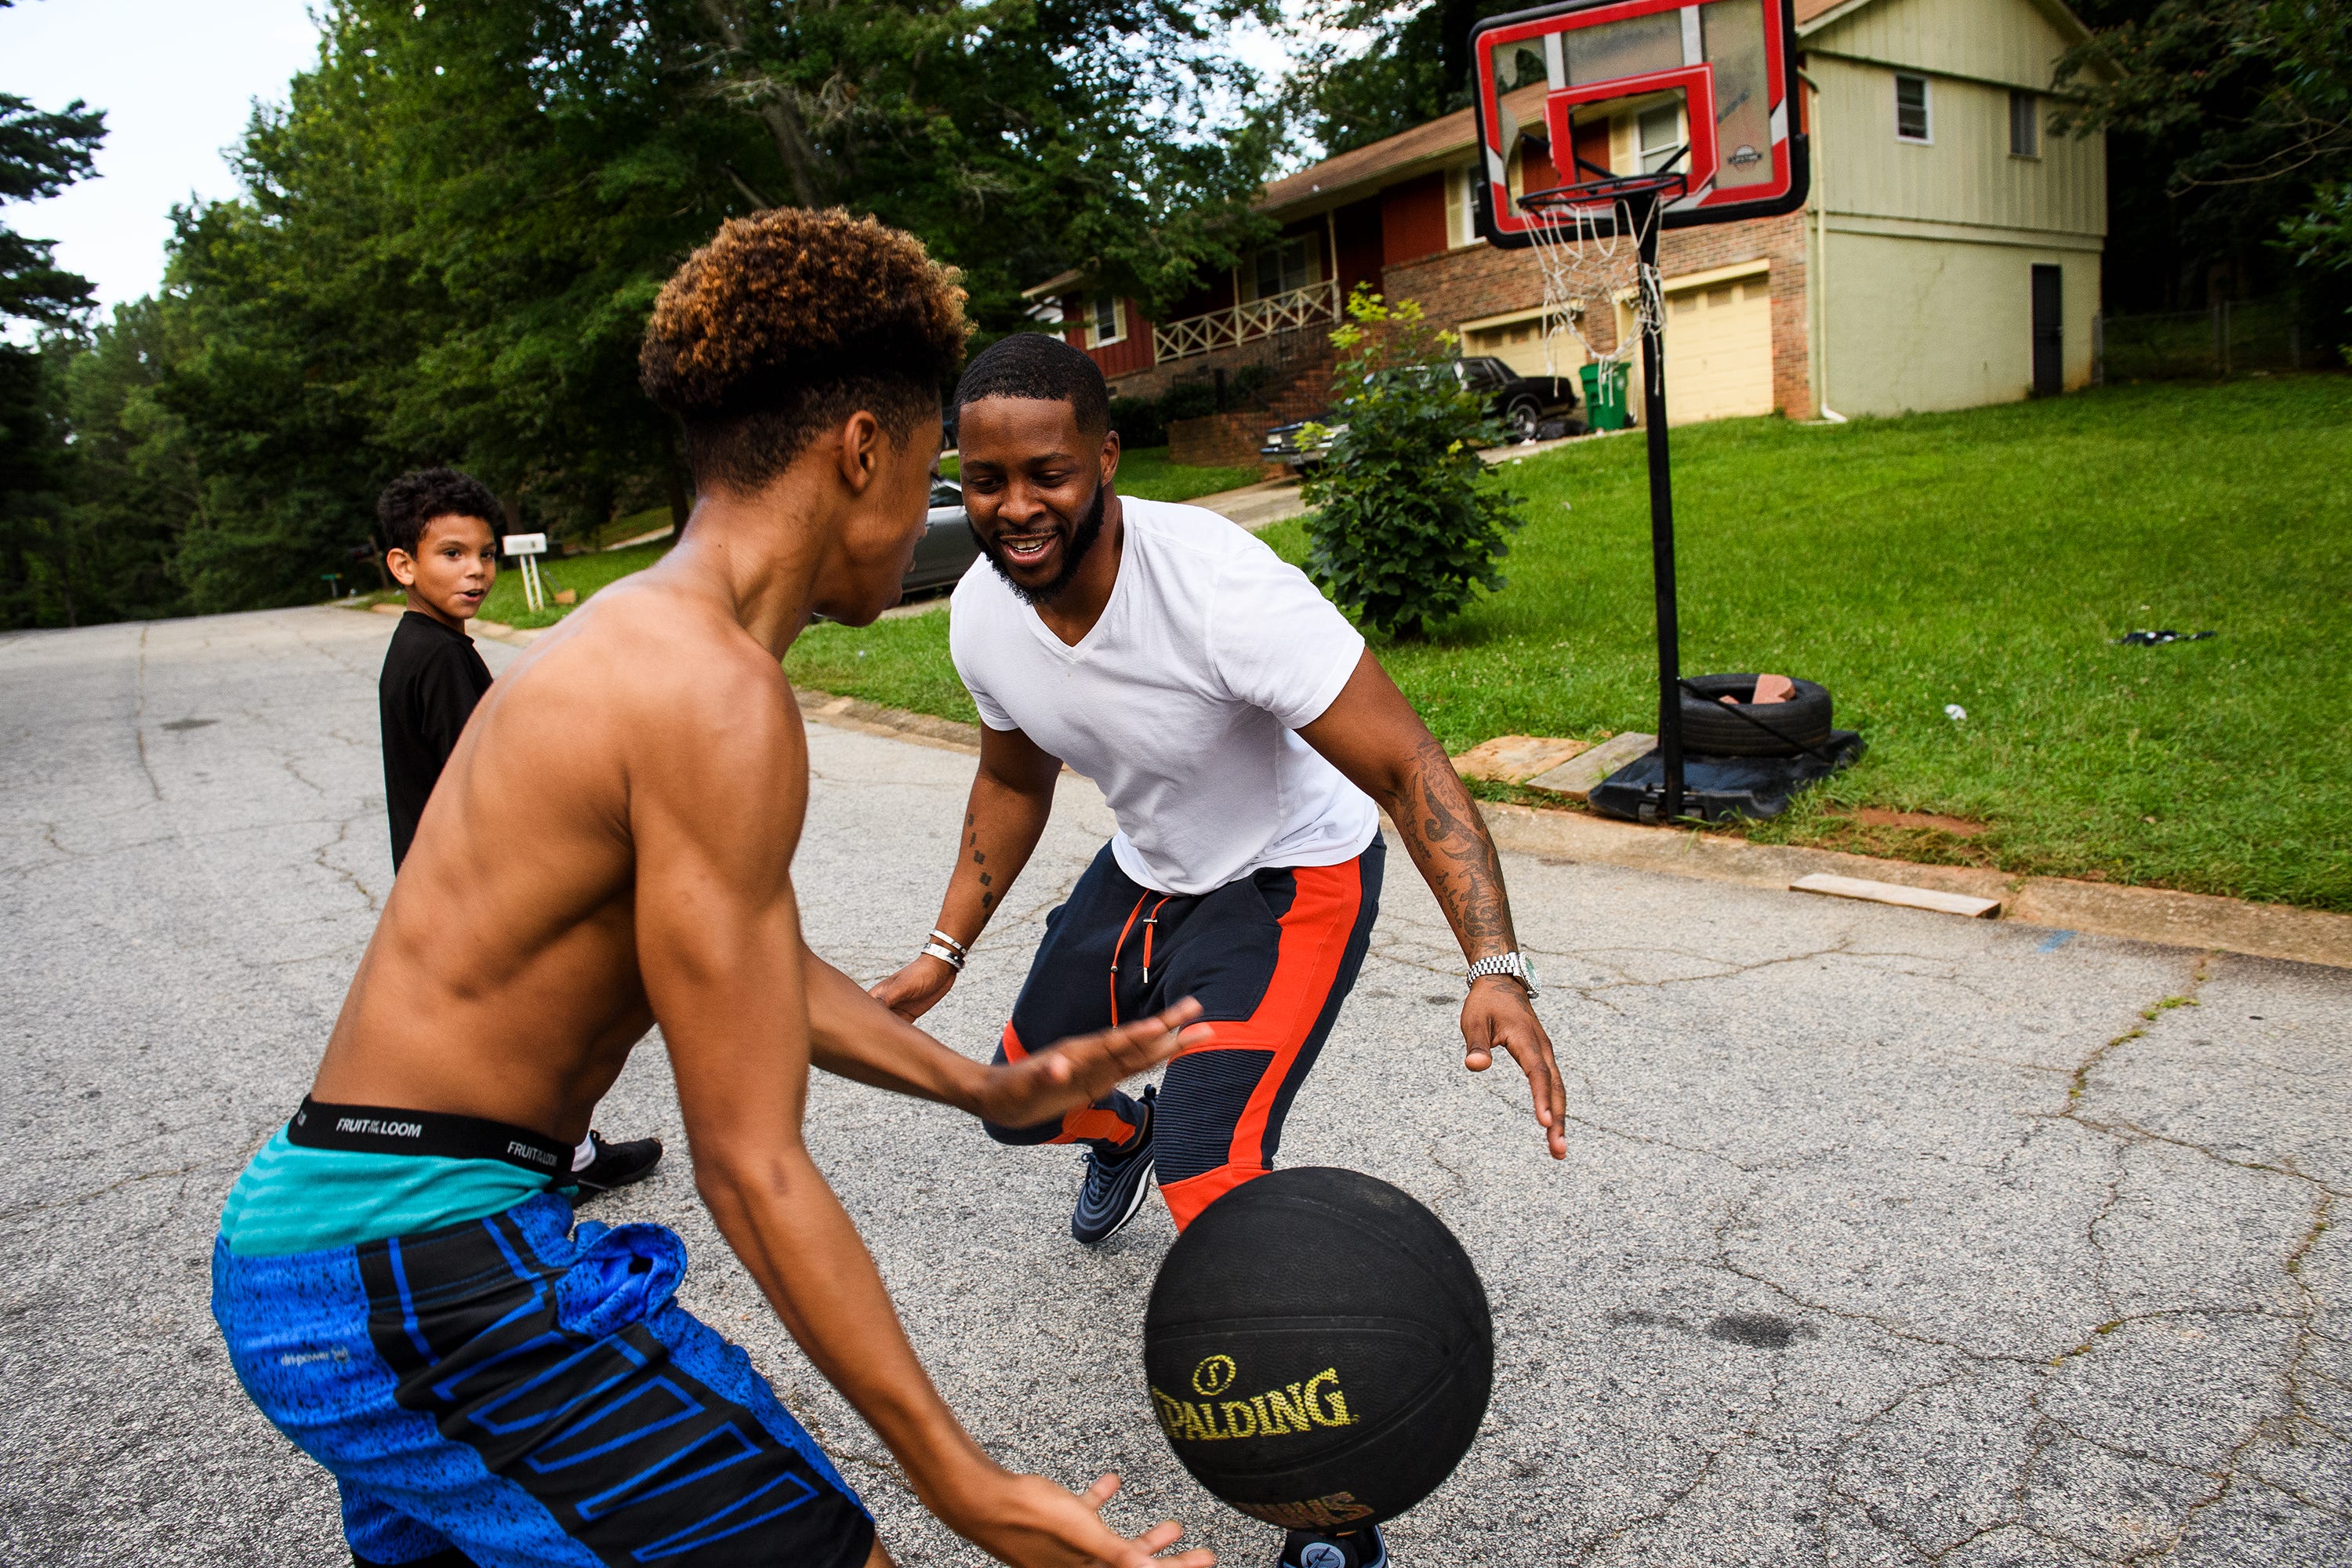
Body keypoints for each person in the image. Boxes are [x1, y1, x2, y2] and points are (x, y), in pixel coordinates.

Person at [216, 209, 1217, 1568]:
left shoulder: (632, 642)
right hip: (422, 1268)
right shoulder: (714, 697)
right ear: (863, 450)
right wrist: (961, 1481)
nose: (941, 514)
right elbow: (748, 1163)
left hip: (334, 1243)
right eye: (932, 465)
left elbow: (743, 967)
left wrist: (977, 1088)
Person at [870, 334, 1570, 1568]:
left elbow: (1409, 766)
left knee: (1215, 1170)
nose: (1016, 507)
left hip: (1287, 876)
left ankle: (1331, 1505)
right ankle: (1119, 1135)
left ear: (1106, 460)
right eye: (985, 480)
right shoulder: (983, 612)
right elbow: (1011, 778)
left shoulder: (1219, 589)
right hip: (1146, 872)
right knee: (1013, 1106)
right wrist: (941, 952)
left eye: (1048, 473)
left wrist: (1494, 965)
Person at [373, 466, 662, 1200]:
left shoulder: (428, 646)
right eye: (452, 554)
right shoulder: (437, 660)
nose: (476, 571)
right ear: (402, 565)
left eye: (486, 554)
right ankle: (554, 1160)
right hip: (474, 886)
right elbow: (491, 787)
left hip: (448, 884)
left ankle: (550, 1154)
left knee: (530, 1032)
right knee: (567, 1023)